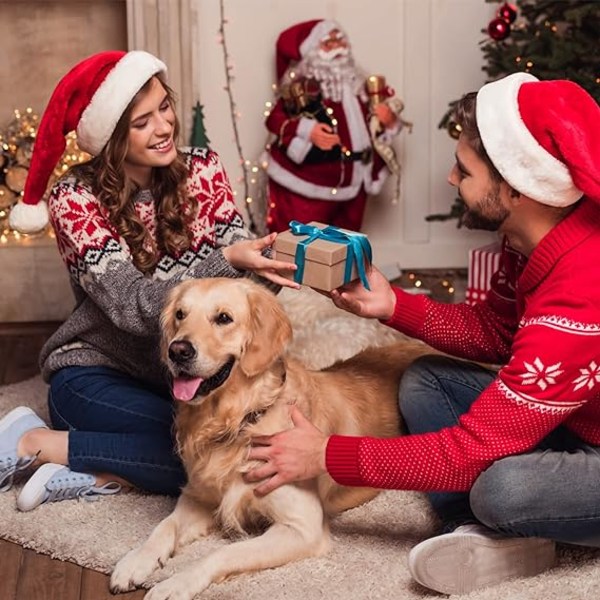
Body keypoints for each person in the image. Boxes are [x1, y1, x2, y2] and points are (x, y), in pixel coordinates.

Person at [246, 72, 600, 595]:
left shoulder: (581, 289)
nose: (453, 180)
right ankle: (481, 536)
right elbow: (498, 335)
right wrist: (390, 304)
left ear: (517, 188)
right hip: (578, 419)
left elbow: (470, 450)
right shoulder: (525, 237)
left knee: (501, 488)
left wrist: (326, 453)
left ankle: (496, 522)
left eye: (466, 169)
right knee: (424, 380)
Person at [0, 50, 298, 512]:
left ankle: (93, 466)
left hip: (180, 373)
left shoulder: (202, 168)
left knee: (239, 446)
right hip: (95, 374)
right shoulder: (73, 198)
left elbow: (237, 285)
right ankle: (32, 441)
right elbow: (130, 305)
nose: (164, 127)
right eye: (142, 122)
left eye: (164, 106)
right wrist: (226, 258)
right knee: (203, 457)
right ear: (113, 136)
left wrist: (273, 265)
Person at [264, 19, 407, 233]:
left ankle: (346, 268)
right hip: (310, 182)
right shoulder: (301, 89)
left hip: (357, 181)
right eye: (328, 44)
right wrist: (308, 130)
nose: (337, 49)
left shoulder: (360, 85)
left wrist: (389, 120)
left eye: (340, 42)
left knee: (347, 244)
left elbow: (384, 120)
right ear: (312, 51)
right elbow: (274, 119)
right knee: (302, 245)